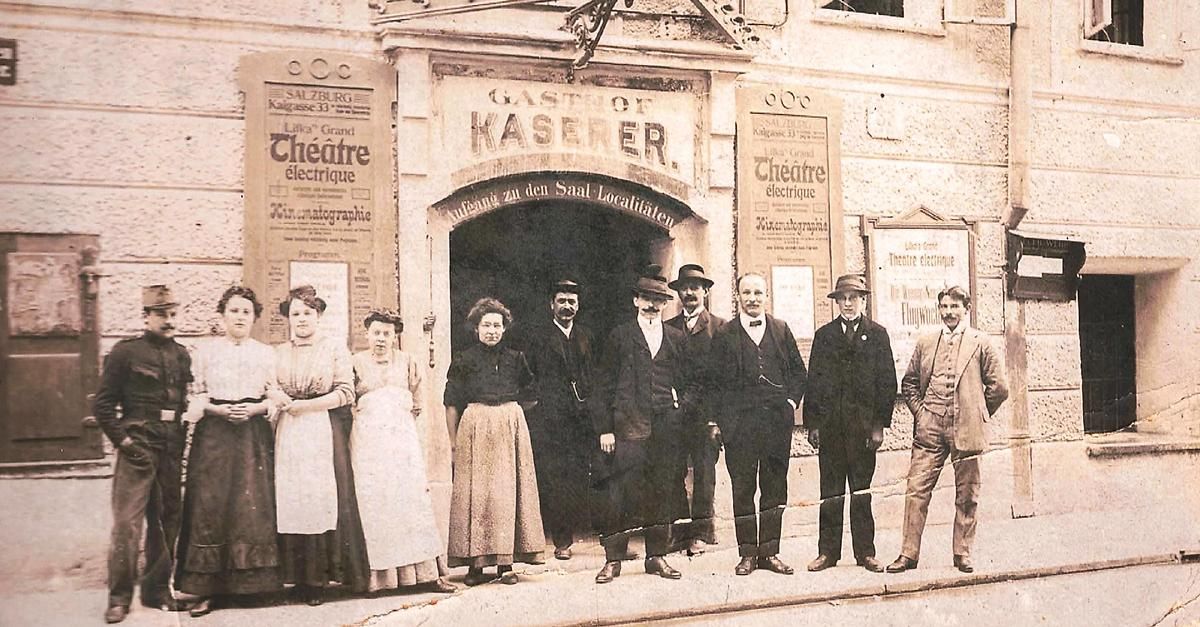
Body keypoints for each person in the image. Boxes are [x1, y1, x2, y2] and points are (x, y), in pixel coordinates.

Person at [886, 286, 1009, 575]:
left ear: (967, 309)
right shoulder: (927, 342)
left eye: (954, 306)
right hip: (930, 429)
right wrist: (922, 413)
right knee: (916, 490)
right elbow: (909, 383)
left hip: (967, 428)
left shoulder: (981, 343)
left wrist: (977, 413)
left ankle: (962, 553)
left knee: (967, 494)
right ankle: (908, 554)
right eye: (944, 307)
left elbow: (999, 388)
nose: (949, 312)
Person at [175, 286, 282, 617]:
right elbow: (196, 394)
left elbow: (274, 394)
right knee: (210, 505)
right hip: (215, 434)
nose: (240, 317)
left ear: (254, 318)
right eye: (234, 310)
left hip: (251, 435)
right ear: (222, 315)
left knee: (249, 507)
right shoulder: (205, 352)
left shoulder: (265, 353)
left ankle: (250, 587)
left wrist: (256, 409)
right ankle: (204, 589)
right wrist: (217, 410)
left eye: (246, 312)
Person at [94, 285, 193, 623]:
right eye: (162, 314)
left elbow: (183, 403)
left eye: (173, 314)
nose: (170, 320)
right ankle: (119, 598)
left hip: (170, 447)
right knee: (127, 525)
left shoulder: (182, 355)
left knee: (167, 522)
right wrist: (125, 444)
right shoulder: (125, 353)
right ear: (146, 316)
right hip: (137, 447)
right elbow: (103, 406)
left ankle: (157, 590)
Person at [592, 267, 694, 584]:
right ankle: (613, 559)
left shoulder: (676, 338)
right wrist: (605, 428)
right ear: (636, 300)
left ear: (665, 304)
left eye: (658, 300)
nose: (652, 305)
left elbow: (691, 383)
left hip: (665, 428)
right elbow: (602, 386)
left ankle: (656, 557)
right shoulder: (619, 336)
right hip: (627, 428)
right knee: (620, 494)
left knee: (661, 491)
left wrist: (679, 406)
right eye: (646, 298)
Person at [271, 285, 367, 604]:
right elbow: (270, 385)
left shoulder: (333, 348)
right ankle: (295, 578)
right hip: (289, 430)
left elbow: (345, 392)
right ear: (288, 318)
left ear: (319, 315)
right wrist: (282, 399)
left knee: (319, 498)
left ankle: (317, 580)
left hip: (320, 427)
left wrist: (307, 406)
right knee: (292, 499)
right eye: (295, 313)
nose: (301, 319)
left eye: (308, 313)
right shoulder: (279, 352)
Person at [350, 309, 456, 594]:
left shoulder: (408, 362)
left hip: (402, 444)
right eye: (376, 333)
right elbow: (350, 405)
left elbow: (417, 404)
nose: (381, 339)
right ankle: (378, 580)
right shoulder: (355, 363)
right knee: (376, 505)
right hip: (369, 446)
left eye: (387, 333)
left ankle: (426, 576)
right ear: (367, 334)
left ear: (395, 336)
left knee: (412, 503)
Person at [708, 273, 807, 577]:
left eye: (758, 293)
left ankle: (770, 552)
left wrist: (790, 403)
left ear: (767, 296)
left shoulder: (781, 329)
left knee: (774, 488)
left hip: (776, 425)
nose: (752, 298)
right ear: (738, 295)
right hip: (740, 427)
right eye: (746, 292)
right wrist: (716, 421)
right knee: (743, 488)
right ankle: (748, 554)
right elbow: (713, 383)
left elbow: (799, 373)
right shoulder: (725, 334)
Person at [444, 297, 545, 586]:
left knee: (505, 496)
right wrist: (453, 443)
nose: (492, 331)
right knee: (476, 497)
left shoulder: (516, 358)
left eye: (497, 326)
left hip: (508, 428)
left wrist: (510, 416)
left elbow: (532, 395)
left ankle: (505, 564)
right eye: (486, 325)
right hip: (474, 428)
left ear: (505, 328)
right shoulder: (463, 360)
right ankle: (475, 565)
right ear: (476, 328)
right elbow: (451, 403)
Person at [803, 274, 896, 574]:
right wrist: (813, 425)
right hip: (831, 429)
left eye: (853, 298)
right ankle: (827, 553)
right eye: (842, 298)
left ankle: (865, 552)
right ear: (836, 302)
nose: (847, 303)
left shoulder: (877, 335)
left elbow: (887, 383)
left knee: (861, 492)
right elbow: (813, 382)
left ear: (862, 300)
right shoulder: (824, 336)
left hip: (863, 431)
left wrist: (879, 426)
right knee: (830, 493)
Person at [521, 280, 597, 561]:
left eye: (572, 302)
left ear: (578, 306)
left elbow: (595, 373)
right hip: (550, 420)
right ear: (551, 304)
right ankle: (561, 540)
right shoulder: (537, 337)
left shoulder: (587, 336)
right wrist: (538, 403)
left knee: (579, 475)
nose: (567, 306)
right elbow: (526, 375)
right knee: (554, 479)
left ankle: (584, 531)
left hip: (582, 419)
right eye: (562, 301)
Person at [664, 264, 726, 556]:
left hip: (705, 417)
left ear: (705, 292)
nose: (689, 292)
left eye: (695, 287)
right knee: (673, 471)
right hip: (675, 416)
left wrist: (716, 420)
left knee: (704, 474)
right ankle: (680, 533)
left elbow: (724, 379)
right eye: (684, 288)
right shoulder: (668, 327)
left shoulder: (719, 327)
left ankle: (701, 533)